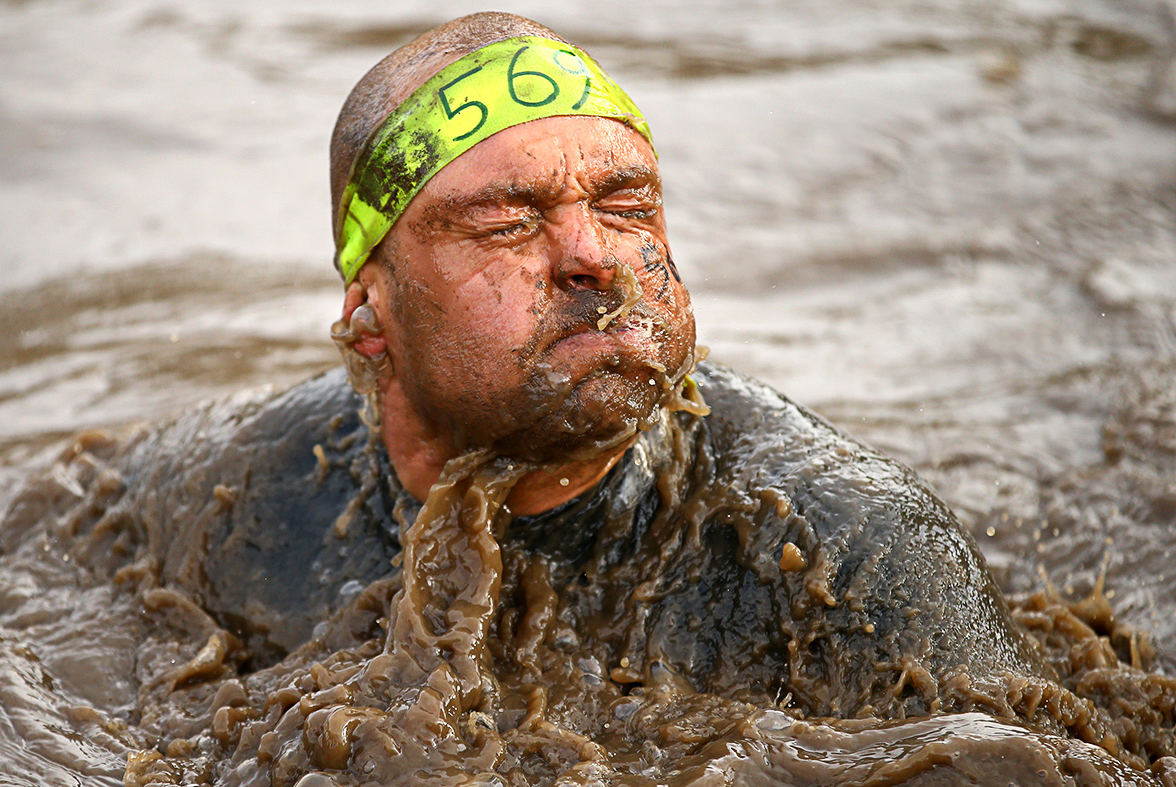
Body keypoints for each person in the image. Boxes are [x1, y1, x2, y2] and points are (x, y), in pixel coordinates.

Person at [102, 11, 1172, 784]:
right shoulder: (233, 496)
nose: (592, 260)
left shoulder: (848, 554)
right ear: (370, 310)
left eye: (625, 206)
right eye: (506, 223)